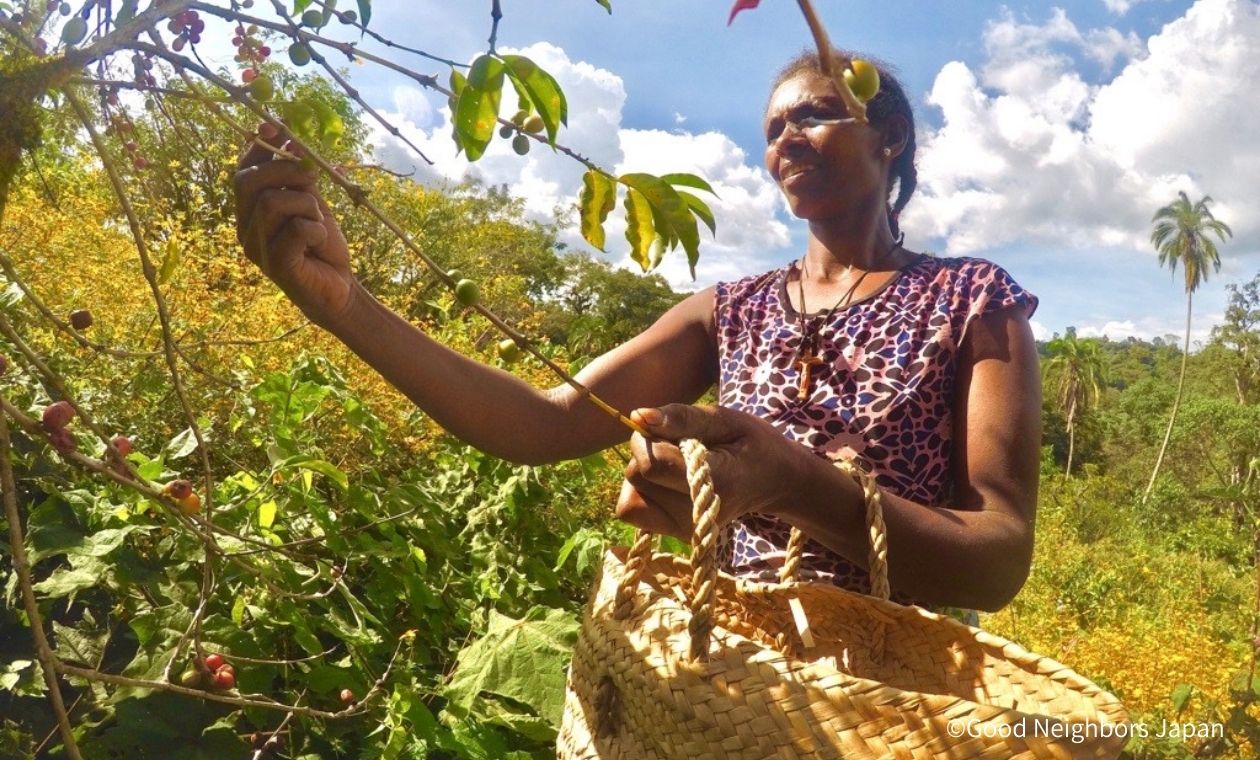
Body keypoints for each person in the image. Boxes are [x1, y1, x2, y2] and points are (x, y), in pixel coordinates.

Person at [232, 49, 1041, 616]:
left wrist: (793, 481)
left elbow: (999, 557)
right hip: (727, 667)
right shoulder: (729, 309)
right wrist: (344, 305)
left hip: (889, 699)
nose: (786, 138)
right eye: (772, 128)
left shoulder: (972, 300)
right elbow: (543, 422)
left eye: (819, 115)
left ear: (889, 138)